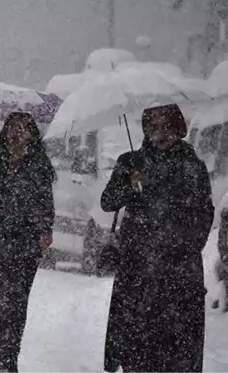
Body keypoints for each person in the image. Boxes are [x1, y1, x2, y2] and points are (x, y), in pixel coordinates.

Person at [101, 103, 213, 373]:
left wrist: (183, 246)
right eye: (154, 126)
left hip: (179, 272)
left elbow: (204, 214)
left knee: (177, 350)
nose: (160, 132)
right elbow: (108, 202)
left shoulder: (192, 166)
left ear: (178, 128)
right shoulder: (130, 162)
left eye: (166, 125)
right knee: (135, 347)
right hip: (138, 269)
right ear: (146, 129)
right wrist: (129, 184)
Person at [0, 112, 55, 373]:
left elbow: (46, 204)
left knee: (19, 301)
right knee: (4, 298)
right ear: (4, 132)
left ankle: (11, 356)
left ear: (32, 134)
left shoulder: (39, 165)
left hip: (27, 243)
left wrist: (45, 229)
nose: (17, 133)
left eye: (24, 128)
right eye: (13, 128)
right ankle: (3, 361)